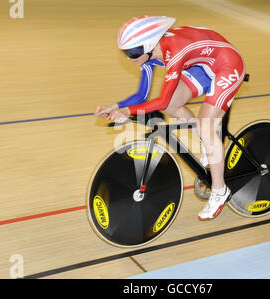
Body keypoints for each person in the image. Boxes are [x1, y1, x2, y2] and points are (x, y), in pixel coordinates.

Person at [96, 16, 246, 221]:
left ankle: (220, 192)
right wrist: (116, 107)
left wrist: (129, 111)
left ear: (149, 44)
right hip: (203, 64)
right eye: (125, 53)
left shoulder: (174, 51)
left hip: (227, 63)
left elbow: (162, 99)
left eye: (133, 52)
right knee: (173, 107)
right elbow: (142, 96)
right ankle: (207, 142)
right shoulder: (148, 55)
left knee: (204, 125)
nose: (130, 58)